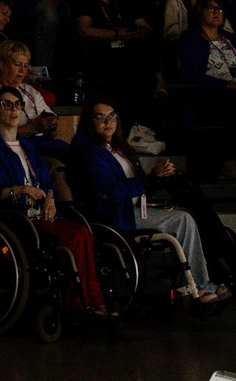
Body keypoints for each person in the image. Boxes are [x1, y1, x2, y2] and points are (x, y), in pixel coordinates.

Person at [69, 98, 224, 301]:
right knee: (183, 219)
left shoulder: (120, 148)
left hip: (136, 207)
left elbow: (142, 182)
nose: (108, 121)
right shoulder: (90, 153)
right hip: (116, 215)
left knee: (190, 213)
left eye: (112, 116)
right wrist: (151, 178)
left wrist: (160, 175)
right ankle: (200, 285)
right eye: (101, 117)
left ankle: (200, 278)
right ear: (90, 121)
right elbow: (114, 192)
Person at [0, 84, 103, 314]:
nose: (14, 110)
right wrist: (23, 189)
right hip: (17, 218)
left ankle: (94, 300)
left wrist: (51, 199)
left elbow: (46, 182)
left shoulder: (28, 146)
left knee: (84, 234)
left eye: (17, 105)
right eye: (6, 105)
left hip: (41, 213)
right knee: (74, 238)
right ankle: (79, 305)